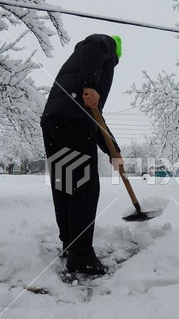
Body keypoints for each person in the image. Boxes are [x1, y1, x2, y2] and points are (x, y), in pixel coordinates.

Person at [41, 34, 124, 275]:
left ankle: (70, 243)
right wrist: (90, 85)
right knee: (84, 186)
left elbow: (95, 117)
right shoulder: (102, 44)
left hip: (55, 119)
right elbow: (94, 46)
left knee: (66, 183)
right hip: (74, 119)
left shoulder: (78, 75)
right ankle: (81, 255)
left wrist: (113, 151)